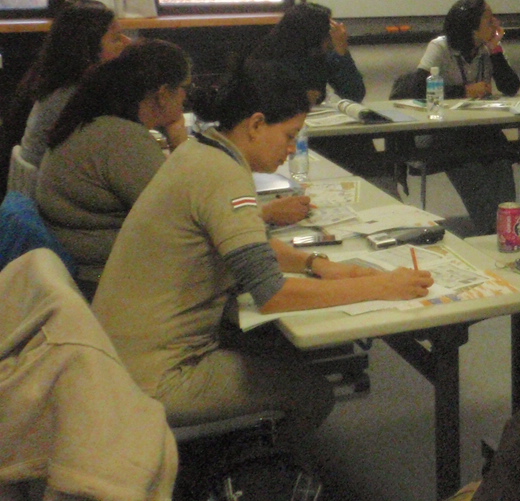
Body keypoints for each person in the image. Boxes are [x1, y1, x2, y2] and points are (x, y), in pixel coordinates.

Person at [93, 61, 431, 446]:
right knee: (312, 392)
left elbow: (246, 240)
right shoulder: (223, 175)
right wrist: (386, 286)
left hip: (119, 355)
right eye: (289, 136)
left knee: (279, 350)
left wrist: (315, 263)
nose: (291, 150)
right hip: (161, 375)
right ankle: (263, 482)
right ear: (255, 125)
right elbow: (273, 295)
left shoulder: (201, 151)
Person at [34, 39, 191, 295]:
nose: (187, 97)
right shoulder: (123, 139)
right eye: (185, 87)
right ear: (163, 94)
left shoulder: (97, 121)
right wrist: (180, 142)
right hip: (103, 283)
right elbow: (183, 215)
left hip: (78, 271)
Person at [401, 0, 520, 234]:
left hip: (481, 129)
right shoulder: (440, 47)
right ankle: (490, 229)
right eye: (489, 19)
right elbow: (416, 89)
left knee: (501, 155)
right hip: (444, 132)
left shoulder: (488, 46)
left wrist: (496, 50)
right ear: (471, 27)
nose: (495, 22)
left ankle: (507, 225)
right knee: (468, 161)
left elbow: (510, 87)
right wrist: (463, 91)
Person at [2, 0, 130, 176]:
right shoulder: (76, 93)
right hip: (48, 194)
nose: (127, 42)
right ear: (88, 49)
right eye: (116, 39)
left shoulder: (50, 79)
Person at [249, 2, 365, 104]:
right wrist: (297, 98)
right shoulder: (268, 59)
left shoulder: (321, 55)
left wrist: (342, 52)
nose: (332, 34)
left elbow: (354, 95)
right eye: (328, 29)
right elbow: (259, 103)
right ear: (312, 36)